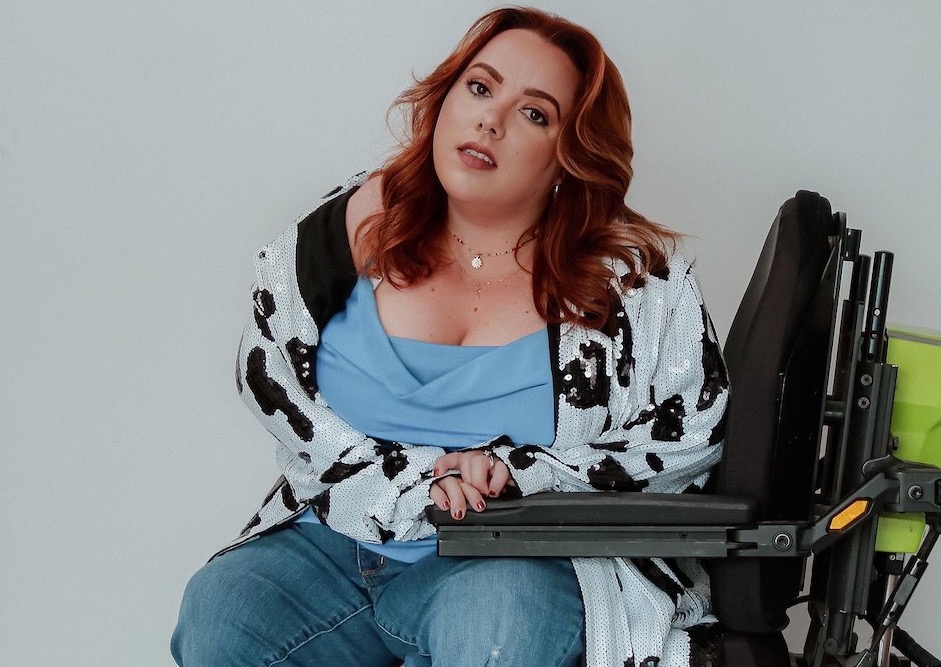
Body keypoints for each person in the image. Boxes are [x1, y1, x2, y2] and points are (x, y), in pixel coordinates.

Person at [171, 7, 728, 667]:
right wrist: (401, 480)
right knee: (224, 610)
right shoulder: (362, 219)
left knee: (491, 630)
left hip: (510, 558)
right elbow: (267, 372)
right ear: (444, 99)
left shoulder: (636, 281)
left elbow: (687, 438)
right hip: (336, 540)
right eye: (480, 87)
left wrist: (517, 475)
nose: (490, 120)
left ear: (567, 154)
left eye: (534, 113)